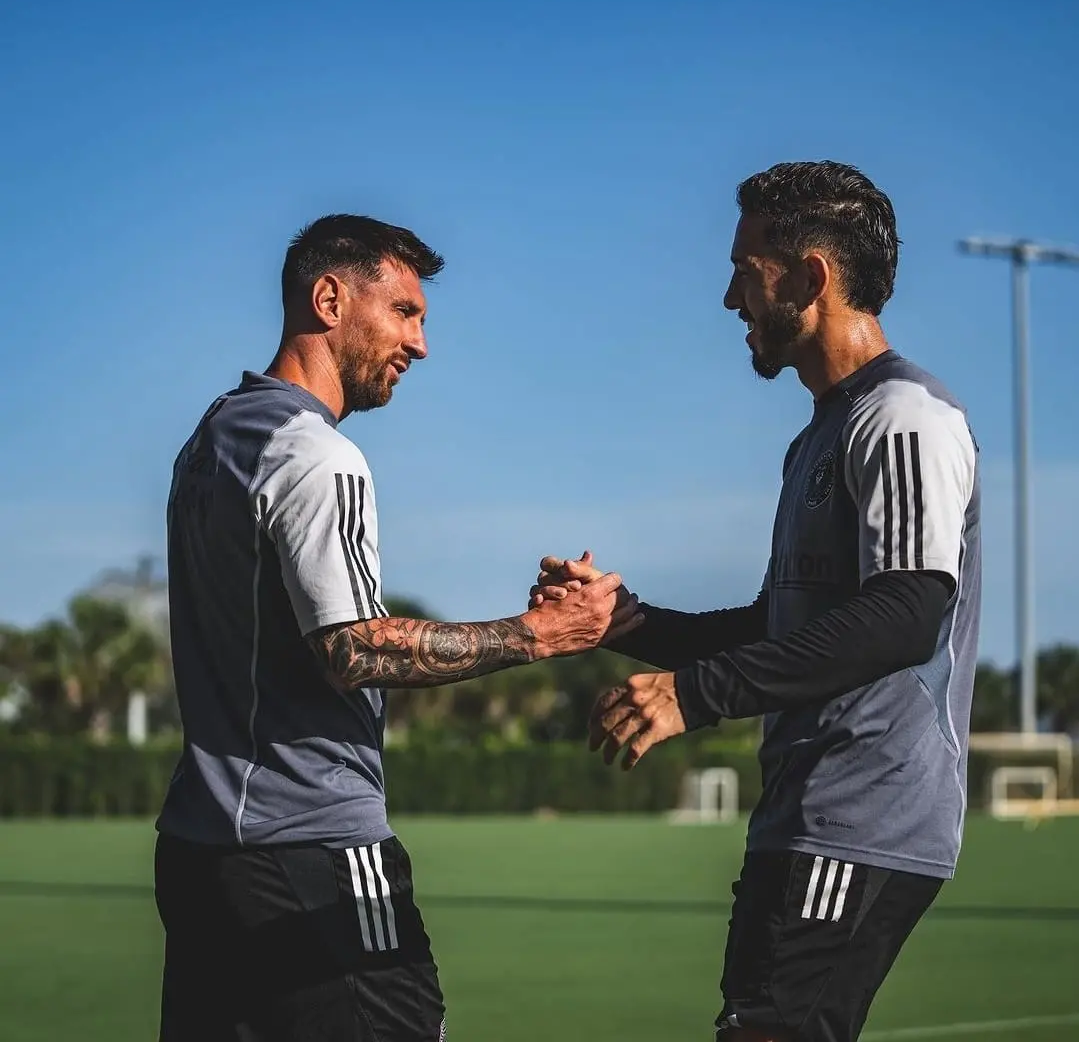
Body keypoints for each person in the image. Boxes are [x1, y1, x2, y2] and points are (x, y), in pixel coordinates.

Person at [154, 213, 643, 1042]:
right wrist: (542, 632)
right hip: (311, 847)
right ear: (329, 300)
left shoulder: (213, 438)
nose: (419, 344)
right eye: (404, 312)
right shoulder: (315, 454)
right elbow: (352, 648)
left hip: (199, 851)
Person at [533, 162, 981, 1042]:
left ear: (809, 276)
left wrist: (694, 696)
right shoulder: (821, 433)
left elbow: (906, 613)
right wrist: (623, 625)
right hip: (803, 817)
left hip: (863, 815)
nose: (730, 297)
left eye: (745, 270)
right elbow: (776, 626)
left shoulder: (903, 416)